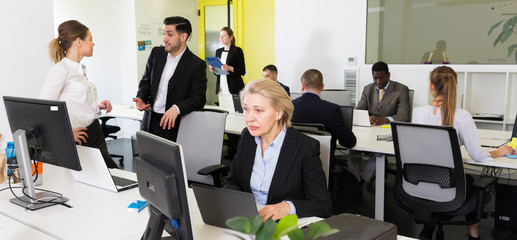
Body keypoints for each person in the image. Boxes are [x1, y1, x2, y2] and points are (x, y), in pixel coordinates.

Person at [412, 66, 514, 240]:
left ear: (431, 86)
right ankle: (473, 234)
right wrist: (499, 151)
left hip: (419, 183)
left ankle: (429, 226)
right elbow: (478, 156)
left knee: (465, 181)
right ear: (455, 86)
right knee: (473, 185)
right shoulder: (462, 116)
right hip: (448, 187)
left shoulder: (417, 113)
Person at [223, 79, 332, 221]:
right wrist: (245, 204)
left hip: (282, 226)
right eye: (246, 109)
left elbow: (323, 205)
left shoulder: (305, 147)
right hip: (249, 220)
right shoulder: (247, 138)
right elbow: (231, 181)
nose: (249, 118)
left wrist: (286, 207)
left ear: (278, 113)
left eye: (259, 110)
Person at [39, 20, 118, 168]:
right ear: (78, 42)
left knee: (106, 181)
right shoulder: (61, 70)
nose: (93, 44)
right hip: (80, 137)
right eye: (91, 39)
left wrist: (96, 105)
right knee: (113, 177)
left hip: (94, 132)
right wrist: (66, 135)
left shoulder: (79, 69)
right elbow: (44, 109)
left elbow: (73, 101)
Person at [291, 69, 357, 214]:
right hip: (324, 167)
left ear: (302, 86)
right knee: (352, 182)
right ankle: (337, 215)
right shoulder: (331, 110)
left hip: (292, 166)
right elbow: (349, 143)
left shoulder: (289, 107)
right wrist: (347, 132)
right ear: (322, 87)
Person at [134, 16, 207, 142]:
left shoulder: (196, 64)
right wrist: (141, 97)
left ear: (183, 37)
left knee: (168, 161)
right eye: (163, 34)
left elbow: (199, 99)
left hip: (174, 125)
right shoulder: (156, 54)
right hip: (150, 120)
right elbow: (146, 81)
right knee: (147, 159)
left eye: (169, 34)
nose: (164, 39)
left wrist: (177, 108)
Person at [351, 61, 410, 183]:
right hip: (369, 130)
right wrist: (367, 117)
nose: (378, 81)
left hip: (387, 132)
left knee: (378, 152)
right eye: (375, 78)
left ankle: (363, 178)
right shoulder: (368, 89)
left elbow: (404, 116)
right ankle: (353, 179)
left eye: (381, 78)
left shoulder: (401, 90)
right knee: (353, 146)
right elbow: (359, 110)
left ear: (388, 75)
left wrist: (385, 119)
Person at [209, 26, 245, 110]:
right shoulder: (218, 51)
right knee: (224, 112)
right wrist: (213, 70)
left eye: (224, 35)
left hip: (234, 88)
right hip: (221, 88)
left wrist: (229, 68)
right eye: (220, 35)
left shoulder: (237, 50)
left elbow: (242, 71)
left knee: (236, 113)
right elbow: (219, 72)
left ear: (231, 37)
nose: (221, 38)